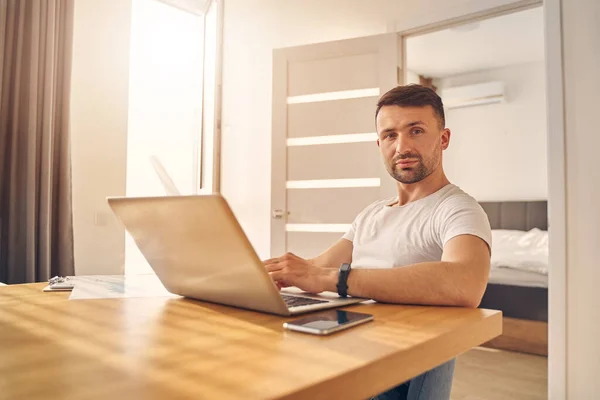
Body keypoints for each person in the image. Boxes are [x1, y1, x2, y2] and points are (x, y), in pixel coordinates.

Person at [264, 84, 492, 400]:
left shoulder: (458, 208)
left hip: (387, 376)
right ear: (379, 143)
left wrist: (334, 279)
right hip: (345, 353)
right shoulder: (372, 213)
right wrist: (264, 275)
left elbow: (466, 283)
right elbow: (316, 268)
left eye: (416, 131)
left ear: (443, 138)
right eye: (390, 135)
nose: (402, 146)